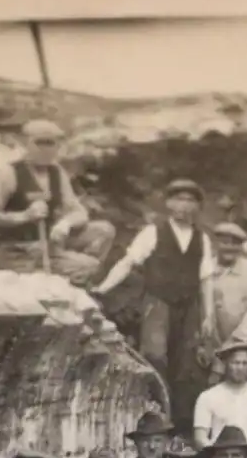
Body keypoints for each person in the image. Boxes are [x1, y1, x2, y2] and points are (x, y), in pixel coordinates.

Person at [91, 178, 213, 430]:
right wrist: (103, 288)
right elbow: (128, 262)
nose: (184, 205)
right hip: (158, 303)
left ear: (198, 206)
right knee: (155, 356)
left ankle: (179, 426)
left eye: (190, 200)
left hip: (189, 307)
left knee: (186, 366)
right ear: (168, 203)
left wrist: (208, 315)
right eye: (178, 199)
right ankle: (153, 416)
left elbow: (206, 280)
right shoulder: (153, 232)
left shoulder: (202, 239)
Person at [0, 118, 116, 285]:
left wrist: (65, 223)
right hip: (17, 250)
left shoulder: (56, 172)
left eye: (51, 144)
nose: (46, 150)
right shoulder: (9, 174)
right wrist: (24, 216)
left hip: (47, 243)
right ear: (25, 144)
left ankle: (68, 272)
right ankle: (64, 278)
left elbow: (78, 211)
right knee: (90, 266)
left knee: (103, 230)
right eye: (39, 143)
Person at [206, 222, 247, 383]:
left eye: (235, 243)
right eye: (225, 242)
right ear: (215, 243)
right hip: (213, 348)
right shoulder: (206, 268)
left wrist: (237, 341)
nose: (230, 247)